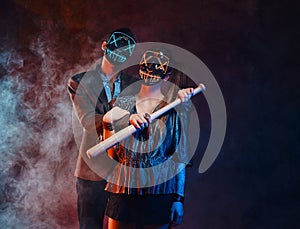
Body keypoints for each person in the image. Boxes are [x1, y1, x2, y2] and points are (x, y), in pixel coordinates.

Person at [101, 49, 194, 229]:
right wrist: (112, 123)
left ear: (167, 77)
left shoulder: (175, 108)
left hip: (159, 190)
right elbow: (111, 156)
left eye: (156, 70)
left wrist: (178, 199)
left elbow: (179, 158)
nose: (150, 74)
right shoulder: (123, 102)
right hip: (124, 187)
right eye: (147, 68)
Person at [67, 28, 138, 229]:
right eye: (117, 46)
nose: (120, 53)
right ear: (104, 46)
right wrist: (123, 116)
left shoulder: (135, 85)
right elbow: (88, 122)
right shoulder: (79, 81)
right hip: (91, 171)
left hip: (123, 171)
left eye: (126, 50)